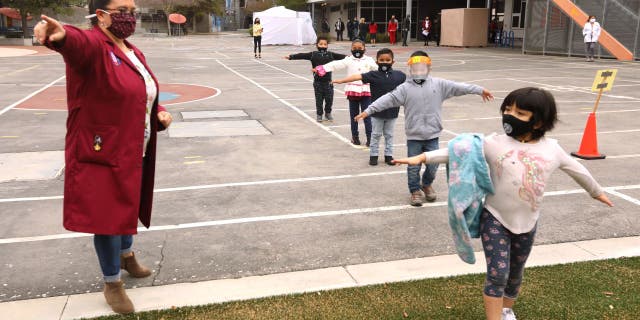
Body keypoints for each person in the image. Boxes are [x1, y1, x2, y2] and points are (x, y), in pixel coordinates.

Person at [392, 87, 613, 320]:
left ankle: (506, 310)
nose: (509, 116)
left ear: (538, 122)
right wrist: (422, 157)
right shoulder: (494, 143)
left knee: (515, 273)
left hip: (528, 222)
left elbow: (577, 170)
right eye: (507, 109)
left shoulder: (552, 149)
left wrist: (596, 192)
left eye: (519, 113)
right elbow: (459, 151)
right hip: (495, 217)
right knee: (498, 273)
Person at [33, 0, 173, 314]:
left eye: (133, 10)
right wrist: (62, 35)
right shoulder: (94, 45)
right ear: (101, 15)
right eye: (123, 9)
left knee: (127, 203)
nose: (130, 16)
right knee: (108, 217)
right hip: (102, 149)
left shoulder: (132, 51)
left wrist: (158, 111)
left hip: (134, 145)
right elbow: (78, 45)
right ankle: (112, 283)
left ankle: (125, 255)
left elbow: (144, 89)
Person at [354, 51, 493, 206]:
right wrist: (368, 111)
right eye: (415, 68)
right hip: (414, 136)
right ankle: (414, 191)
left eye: (422, 67)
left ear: (428, 68)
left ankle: (426, 184)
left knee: (433, 165)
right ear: (410, 68)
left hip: (433, 134)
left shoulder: (439, 85)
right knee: (413, 167)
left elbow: (459, 87)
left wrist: (479, 90)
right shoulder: (404, 88)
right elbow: (387, 99)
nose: (418, 71)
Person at [333, 48, 406, 165]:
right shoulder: (373, 75)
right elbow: (357, 76)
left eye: (388, 60)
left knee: (389, 135)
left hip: (392, 112)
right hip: (377, 113)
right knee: (375, 135)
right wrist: (341, 80)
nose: (385, 62)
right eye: (382, 60)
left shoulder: (399, 75)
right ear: (377, 62)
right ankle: (374, 155)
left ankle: (388, 156)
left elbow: (410, 86)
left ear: (393, 62)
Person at [315, 39, 378, 146]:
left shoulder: (369, 60)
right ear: (351, 49)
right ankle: (355, 137)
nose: (357, 50)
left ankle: (369, 138)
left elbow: (377, 69)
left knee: (367, 115)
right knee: (353, 116)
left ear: (364, 49)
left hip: (366, 91)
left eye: (360, 48)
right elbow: (336, 64)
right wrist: (323, 68)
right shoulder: (348, 59)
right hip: (352, 91)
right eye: (354, 48)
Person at [284, 36, 347, 122]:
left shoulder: (331, 55)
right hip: (318, 82)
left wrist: (353, 58)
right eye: (321, 44)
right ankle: (319, 114)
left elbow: (343, 57)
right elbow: (302, 55)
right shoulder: (313, 54)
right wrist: (291, 56)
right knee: (319, 100)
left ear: (327, 45)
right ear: (317, 45)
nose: (323, 46)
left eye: (325, 44)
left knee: (329, 100)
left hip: (329, 82)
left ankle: (328, 113)